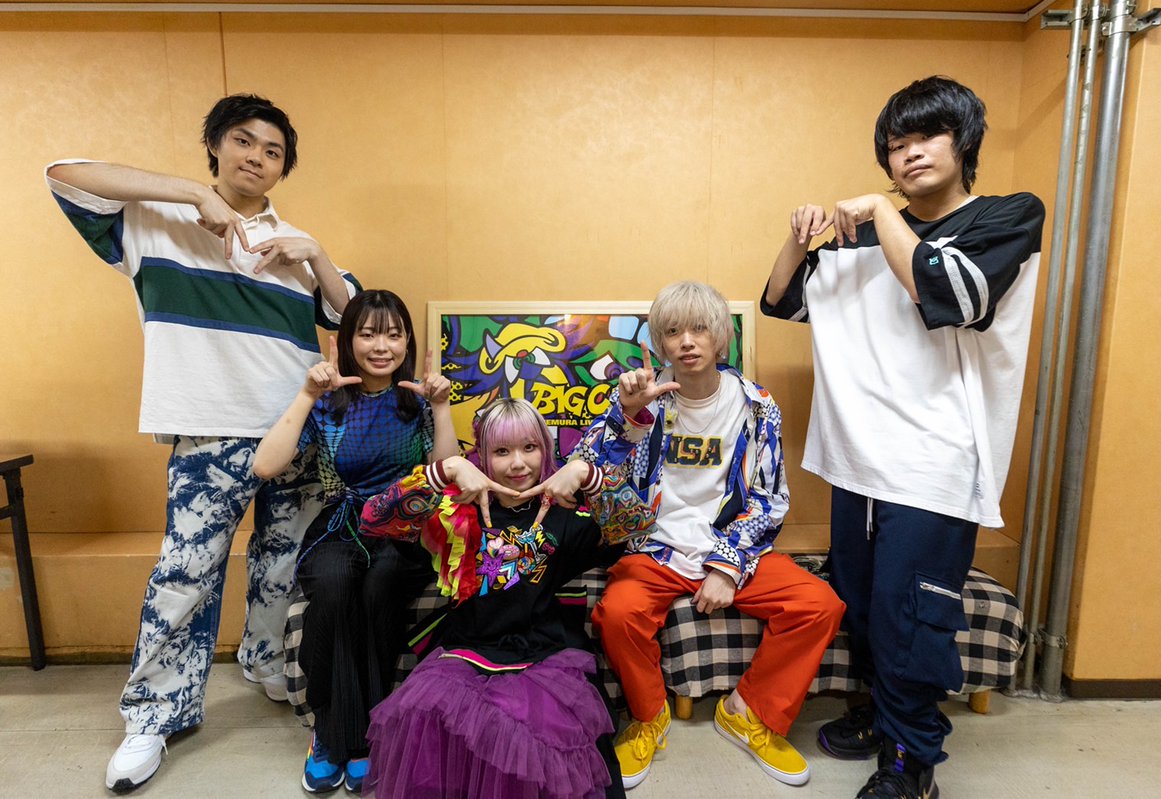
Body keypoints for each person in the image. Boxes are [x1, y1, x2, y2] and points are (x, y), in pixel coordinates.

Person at [45, 93, 360, 793]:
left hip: (299, 427)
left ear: (283, 168)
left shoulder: (293, 243)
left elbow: (356, 320)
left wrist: (317, 253)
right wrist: (192, 195)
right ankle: (154, 714)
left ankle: (266, 660)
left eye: (273, 151)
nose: (257, 157)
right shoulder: (152, 221)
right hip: (209, 425)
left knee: (288, 563)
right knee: (186, 573)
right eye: (243, 140)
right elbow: (64, 174)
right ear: (215, 144)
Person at [761, 76, 1045, 799]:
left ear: (964, 140)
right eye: (895, 144)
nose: (910, 153)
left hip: (934, 460)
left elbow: (948, 294)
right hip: (857, 460)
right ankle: (880, 714)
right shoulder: (862, 236)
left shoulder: (1007, 215)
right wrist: (798, 239)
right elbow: (781, 300)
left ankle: (911, 761)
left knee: (911, 611)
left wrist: (884, 212)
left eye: (926, 137)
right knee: (861, 601)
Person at [576, 280, 845, 790]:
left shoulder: (756, 405)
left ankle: (747, 712)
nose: (687, 341)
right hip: (656, 547)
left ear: (720, 337)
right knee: (618, 613)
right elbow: (588, 473)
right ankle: (648, 717)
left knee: (818, 605)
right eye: (673, 331)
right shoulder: (641, 397)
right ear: (659, 342)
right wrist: (627, 416)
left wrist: (726, 564)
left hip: (732, 545)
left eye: (700, 328)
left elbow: (769, 497)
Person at [357, 397, 655, 799]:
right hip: (468, 651)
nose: (517, 463)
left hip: (547, 655)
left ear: (545, 449)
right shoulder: (454, 512)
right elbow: (374, 519)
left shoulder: (567, 512)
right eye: (501, 451)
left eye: (529, 448)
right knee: (438, 730)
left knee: (551, 738)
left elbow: (637, 527)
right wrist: (446, 469)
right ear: (483, 456)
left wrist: (587, 473)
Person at [253, 289, 457, 793]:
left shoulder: (416, 400)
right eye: (367, 334)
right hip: (340, 525)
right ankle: (330, 733)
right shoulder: (328, 403)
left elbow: (448, 474)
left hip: (404, 529)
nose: (381, 346)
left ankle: (364, 734)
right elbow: (265, 465)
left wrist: (442, 407)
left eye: (393, 334)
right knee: (335, 581)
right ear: (348, 340)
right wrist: (307, 394)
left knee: (380, 582)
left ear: (407, 341)